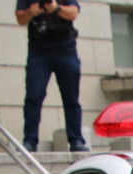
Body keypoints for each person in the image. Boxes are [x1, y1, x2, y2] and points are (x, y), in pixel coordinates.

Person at [15, 0, 88, 152]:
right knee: (33, 96)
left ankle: (76, 139)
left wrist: (57, 8)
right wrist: (31, 12)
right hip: (38, 52)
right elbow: (20, 18)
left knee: (71, 97)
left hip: (65, 50)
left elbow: (73, 12)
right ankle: (30, 140)